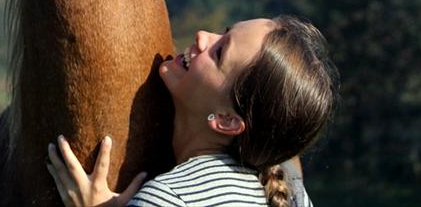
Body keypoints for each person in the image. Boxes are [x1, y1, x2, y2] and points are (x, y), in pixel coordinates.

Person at [47, 16, 336, 207]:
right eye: (223, 33)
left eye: (219, 52)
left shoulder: (170, 198)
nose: (201, 37)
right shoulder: (294, 195)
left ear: (226, 120)